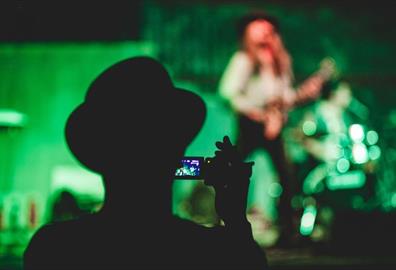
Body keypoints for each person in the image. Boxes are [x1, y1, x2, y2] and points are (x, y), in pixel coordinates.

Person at [23, 56, 268, 269]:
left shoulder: (53, 249)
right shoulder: (213, 253)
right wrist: (235, 219)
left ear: (98, 156)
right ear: (178, 151)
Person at [218, 11, 334, 246]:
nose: (265, 33)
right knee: (234, 173)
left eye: (268, 29)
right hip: (251, 125)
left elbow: (285, 96)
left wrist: (305, 93)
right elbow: (228, 92)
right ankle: (226, 225)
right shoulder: (244, 60)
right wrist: (256, 112)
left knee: (286, 176)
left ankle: (288, 230)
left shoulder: (280, 62)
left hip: (274, 124)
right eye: (258, 28)